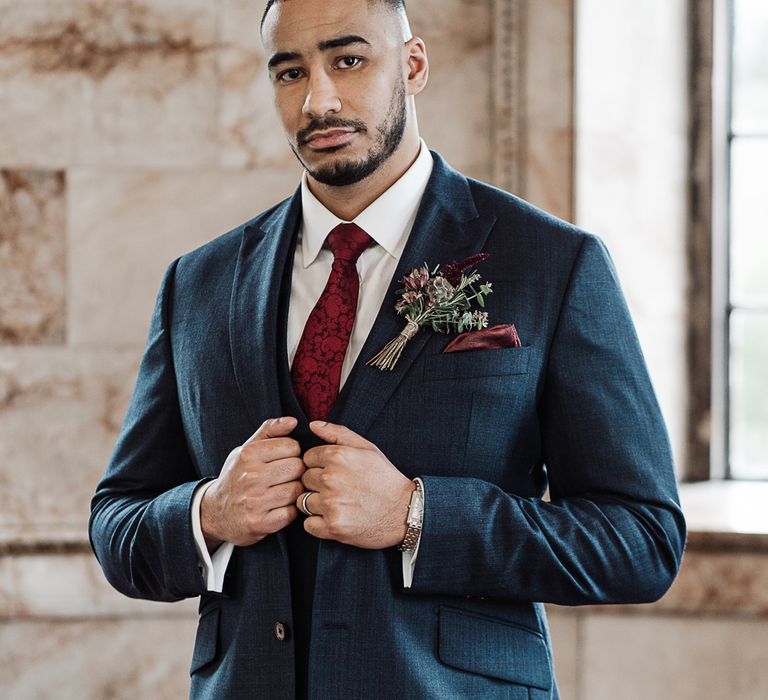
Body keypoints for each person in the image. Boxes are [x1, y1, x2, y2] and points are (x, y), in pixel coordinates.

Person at [89, 0, 687, 698]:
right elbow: (116, 522)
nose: (319, 99)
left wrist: (416, 517)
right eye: (289, 72)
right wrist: (211, 513)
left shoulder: (553, 264)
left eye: (349, 60)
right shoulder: (199, 283)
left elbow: (641, 541)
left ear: (413, 64)